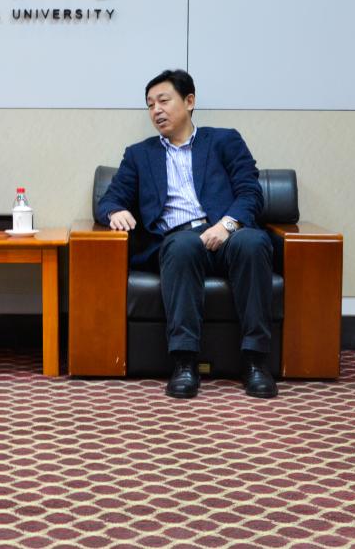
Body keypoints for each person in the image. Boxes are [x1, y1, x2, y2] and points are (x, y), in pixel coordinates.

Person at [95, 69, 278, 399]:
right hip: (177, 241)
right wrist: (114, 211)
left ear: (189, 101)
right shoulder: (139, 155)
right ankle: (184, 362)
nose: (156, 110)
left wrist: (226, 226)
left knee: (254, 242)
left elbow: (251, 193)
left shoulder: (224, 141)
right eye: (150, 104)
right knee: (182, 247)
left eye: (163, 100)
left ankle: (255, 362)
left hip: (228, 234)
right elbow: (109, 199)